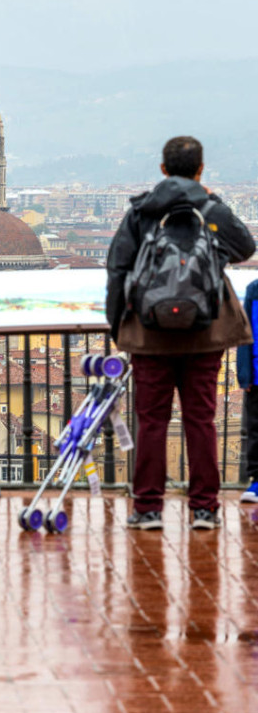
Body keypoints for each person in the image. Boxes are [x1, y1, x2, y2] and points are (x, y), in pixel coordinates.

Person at [106, 135, 255, 531]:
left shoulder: (142, 212)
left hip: (149, 333)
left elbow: (117, 269)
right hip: (205, 332)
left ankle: (148, 509)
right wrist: (211, 202)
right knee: (201, 419)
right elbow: (245, 248)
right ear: (201, 169)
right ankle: (204, 509)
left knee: (151, 421)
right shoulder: (210, 210)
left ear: (163, 169)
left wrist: (117, 324)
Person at [234, 276, 258, 503]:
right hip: (257, 377)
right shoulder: (254, 289)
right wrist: (245, 375)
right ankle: (257, 480)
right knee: (255, 430)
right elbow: (245, 332)